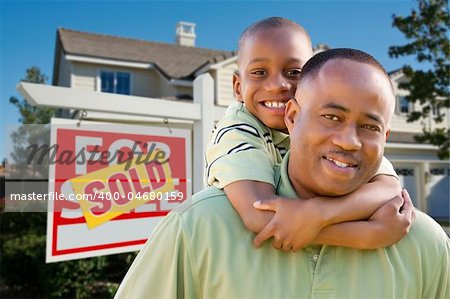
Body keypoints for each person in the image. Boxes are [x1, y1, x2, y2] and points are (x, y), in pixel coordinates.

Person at [115, 49, 449, 298]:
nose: (349, 141)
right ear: (291, 116)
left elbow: (387, 184)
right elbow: (262, 216)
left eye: (369, 126)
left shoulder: (424, 243)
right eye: (331, 117)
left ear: (385, 137)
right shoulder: (199, 226)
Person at [206, 17, 407, 250]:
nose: (277, 85)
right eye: (260, 72)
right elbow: (261, 215)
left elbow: (388, 187)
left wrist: (319, 213)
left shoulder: (325, 128)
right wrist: (369, 235)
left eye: (293, 72)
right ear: (238, 87)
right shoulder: (236, 131)